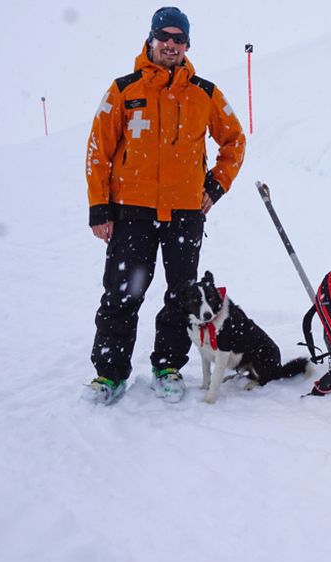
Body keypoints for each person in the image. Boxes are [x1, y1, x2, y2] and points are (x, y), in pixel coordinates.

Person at [83, 7, 245, 405]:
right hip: (132, 213)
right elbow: (97, 151)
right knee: (122, 295)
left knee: (182, 296)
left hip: (185, 215)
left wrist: (216, 185)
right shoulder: (123, 90)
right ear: (151, 40)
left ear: (187, 45)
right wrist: (100, 208)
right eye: (164, 37)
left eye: (178, 39)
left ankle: (168, 367)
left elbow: (234, 141)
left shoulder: (204, 93)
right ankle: (109, 376)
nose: (170, 45)